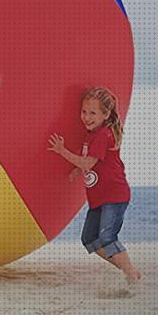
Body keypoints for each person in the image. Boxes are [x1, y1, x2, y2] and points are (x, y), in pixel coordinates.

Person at [47, 87, 142, 285]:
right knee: (89, 239)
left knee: (107, 237)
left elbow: (88, 163)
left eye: (93, 113)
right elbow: (88, 162)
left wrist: (62, 151)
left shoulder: (103, 135)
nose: (86, 117)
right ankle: (129, 269)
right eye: (84, 112)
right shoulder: (90, 134)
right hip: (98, 197)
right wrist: (76, 169)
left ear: (105, 114)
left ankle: (130, 273)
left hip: (114, 195)